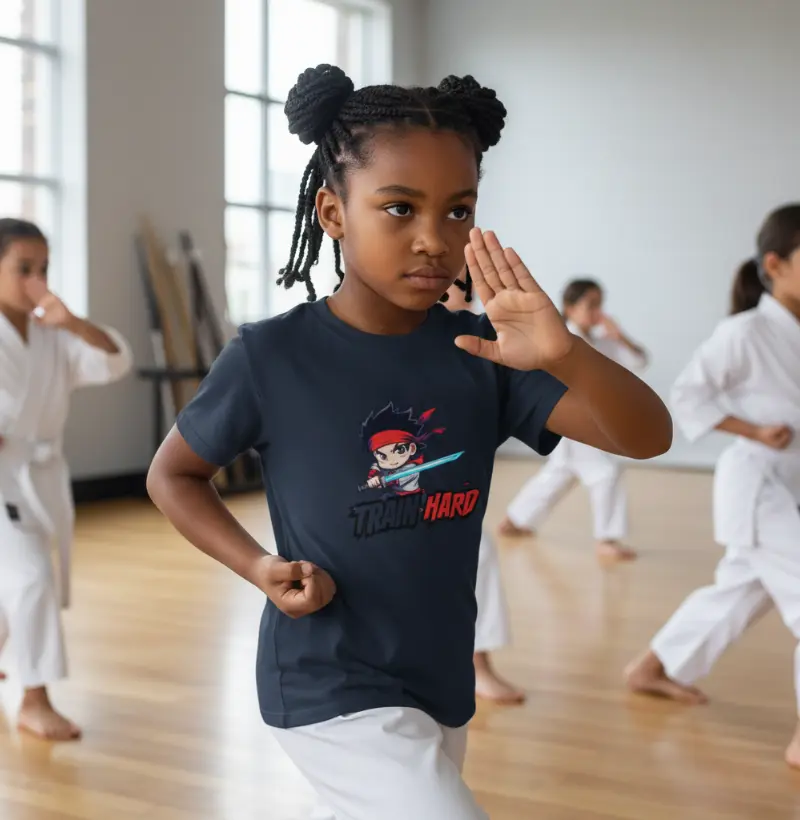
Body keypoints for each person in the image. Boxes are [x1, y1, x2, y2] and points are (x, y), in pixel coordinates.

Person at [146, 65, 672, 818]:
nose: (434, 240)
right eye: (399, 208)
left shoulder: (482, 353)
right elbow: (174, 475)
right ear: (332, 212)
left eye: (458, 212)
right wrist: (258, 565)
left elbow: (647, 436)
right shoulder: (272, 357)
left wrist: (565, 352)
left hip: (437, 674)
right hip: (327, 680)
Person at [624, 204, 800, 769]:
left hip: (788, 488)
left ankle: (653, 667)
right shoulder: (744, 332)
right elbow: (689, 397)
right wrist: (753, 429)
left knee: (739, 592)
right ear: (775, 264)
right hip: (758, 487)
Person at [0, 218, 133, 740]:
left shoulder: (53, 332)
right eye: (23, 268)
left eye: (44, 268)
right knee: (31, 576)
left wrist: (73, 322)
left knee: (15, 578)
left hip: (41, 473)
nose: (38, 280)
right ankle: (34, 699)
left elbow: (114, 360)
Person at [498, 279, 648, 561]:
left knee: (559, 473)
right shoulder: (561, 338)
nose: (597, 312)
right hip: (571, 420)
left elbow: (639, 362)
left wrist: (620, 336)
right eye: (591, 305)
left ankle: (516, 520)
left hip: (589, 422)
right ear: (570, 307)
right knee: (606, 472)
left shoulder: (603, 342)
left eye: (600, 305)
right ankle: (607, 539)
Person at [445, 277, 523, 704]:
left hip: (445, 491)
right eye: (462, 288)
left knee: (479, 553)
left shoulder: (475, 343)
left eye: (463, 288)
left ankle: (477, 665)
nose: (466, 297)